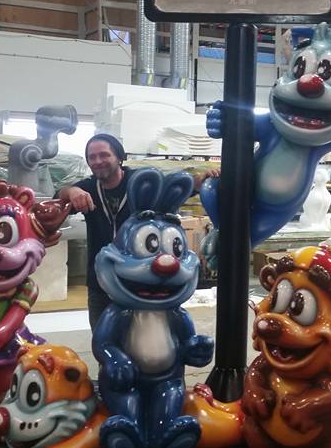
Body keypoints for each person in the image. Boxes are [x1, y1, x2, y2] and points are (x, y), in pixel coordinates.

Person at [57, 134, 217, 330]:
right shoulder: (88, 188)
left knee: (143, 338)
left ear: (119, 157)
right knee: (102, 336)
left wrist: (200, 182)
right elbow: (59, 196)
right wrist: (71, 192)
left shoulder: (140, 182)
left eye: (104, 155)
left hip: (141, 281)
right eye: (92, 157)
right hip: (102, 281)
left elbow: (172, 186)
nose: (98, 161)